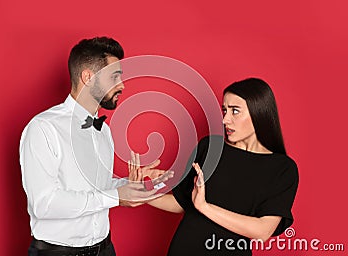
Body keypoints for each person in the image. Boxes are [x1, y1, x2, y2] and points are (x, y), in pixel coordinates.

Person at [19, 37, 169, 256]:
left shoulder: (104, 131)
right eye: (114, 77)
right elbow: (45, 204)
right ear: (88, 77)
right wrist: (117, 196)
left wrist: (131, 184)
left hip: (105, 249)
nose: (123, 85)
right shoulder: (44, 128)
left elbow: (98, 186)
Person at [130, 78, 299, 255]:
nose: (225, 119)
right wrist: (141, 193)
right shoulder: (210, 148)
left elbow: (263, 231)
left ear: (259, 112)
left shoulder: (282, 169)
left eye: (235, 111)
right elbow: (182, 203)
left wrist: (205, 207)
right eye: (224, 110)